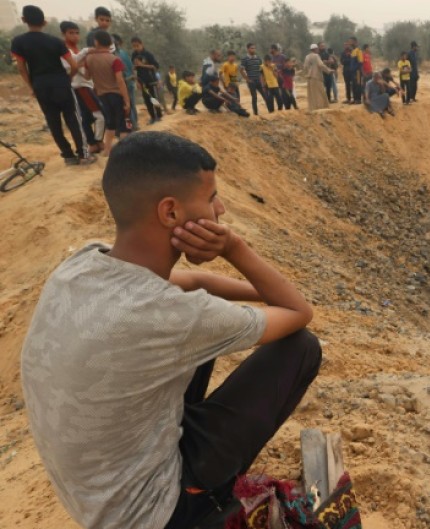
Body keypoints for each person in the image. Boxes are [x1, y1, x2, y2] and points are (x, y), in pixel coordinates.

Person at [21, 130, 320, 529]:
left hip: (93, 496)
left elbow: (196, 284)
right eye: (212, 197)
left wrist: (265, 290)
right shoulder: (169, 316)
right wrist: (234, 250)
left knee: (203, 327)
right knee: (300, 347)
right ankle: (209, 498)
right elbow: (299, 313)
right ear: (171, 213)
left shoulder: (85, 263)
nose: (222, 210)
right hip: (158, 513)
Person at [11, 5, 93, 166]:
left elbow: (21, 68)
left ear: (23, 20)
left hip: (40, 86)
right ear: (44, 22)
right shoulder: (55, 42)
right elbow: (74, 66)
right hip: (61, 83)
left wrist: (31, 86)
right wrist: (67, 79)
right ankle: (83, 155)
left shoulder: (18, 42)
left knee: (53, 122)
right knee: (73, 119)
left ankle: (68, 156)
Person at [61, 21, 105, 154]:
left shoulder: (76, 50)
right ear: (64, 34)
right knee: (100, 115)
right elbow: (71, 66)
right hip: (81, 87)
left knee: (86, 118)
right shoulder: (65, 50)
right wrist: (87, 52)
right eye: (71, 33)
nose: (75, 36)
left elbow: (80, 65)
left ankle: (93, 143)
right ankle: (98, 141)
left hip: (86, 85)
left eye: (77, 33)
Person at [84, 31, 131, 156]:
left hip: (101, 95)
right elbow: (120, 81)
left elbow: (86, 76)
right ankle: (124, 152)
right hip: (116, 94)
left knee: (110, 123)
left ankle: (107, 150)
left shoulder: (89, 59)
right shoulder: (114, 59)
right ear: (110, 43)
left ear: (96, 42)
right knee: (123, 124)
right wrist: (127, 100)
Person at [130, 37, 163, 125]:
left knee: (153, 98)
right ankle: (152, 117)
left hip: (151, 79)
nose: (136, 48)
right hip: (141, 81)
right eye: (134, 46)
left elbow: (155, 66)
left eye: (137, 45)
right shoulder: (133, 55)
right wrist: (137, 81)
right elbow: (134, 69)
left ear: (142, 44)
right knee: (146, 99)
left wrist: (142, 65)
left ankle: (159, 115)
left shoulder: (148, 54)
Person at [112, 35, 138, 131]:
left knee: (126, 105)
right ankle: (135, 124)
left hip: (124, 82)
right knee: (131, 103)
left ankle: (131, 126)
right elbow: (132, 67)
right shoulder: (124, 53)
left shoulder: (115, 56)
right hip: (129, 82)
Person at [303, 44, 332, 113]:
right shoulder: (316, 56)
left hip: (310, 77)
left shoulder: (307, 57)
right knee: (320, 92)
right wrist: (328, 70)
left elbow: (305, 67)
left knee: (312, 94)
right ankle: (321, 107)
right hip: (316, 76)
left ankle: (313, 108)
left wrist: (306, 74)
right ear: (315, 49)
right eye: (317, 49)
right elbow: (321, 65)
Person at [239, 43, 264, 116]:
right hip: (251, 81)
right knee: (254, 97)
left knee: (265, 95)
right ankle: (256, 114)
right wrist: (247, 79)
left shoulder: (258, 58)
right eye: (251, 48)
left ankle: (270, 111)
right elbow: (241, 70)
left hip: (259, 80)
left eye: (254, 48)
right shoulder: (245, 59)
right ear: (248, 49)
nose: (253, 49)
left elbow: (261, 70)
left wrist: (262, 81)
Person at [269, 44, 288, 110]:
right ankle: (280, 108)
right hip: (274, 79)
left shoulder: (283, 57)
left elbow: (286, 66)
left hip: (282, 78)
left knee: (284, 93)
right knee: (276, 94)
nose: (270, 50)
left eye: (270, 49)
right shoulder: (271, 58)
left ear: (274, 49)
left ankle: (287, 108)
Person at [347, 37, 364, 104]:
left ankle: (358, 99)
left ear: (355, 42)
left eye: (351, 41)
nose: (350, 43)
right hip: (352, 72)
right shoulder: (352, 51)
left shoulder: (358, 50)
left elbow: (360, 62)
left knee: (358, 85)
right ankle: (354, 99)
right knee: (353, 85)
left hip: (357, 71)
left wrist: (356, 69)